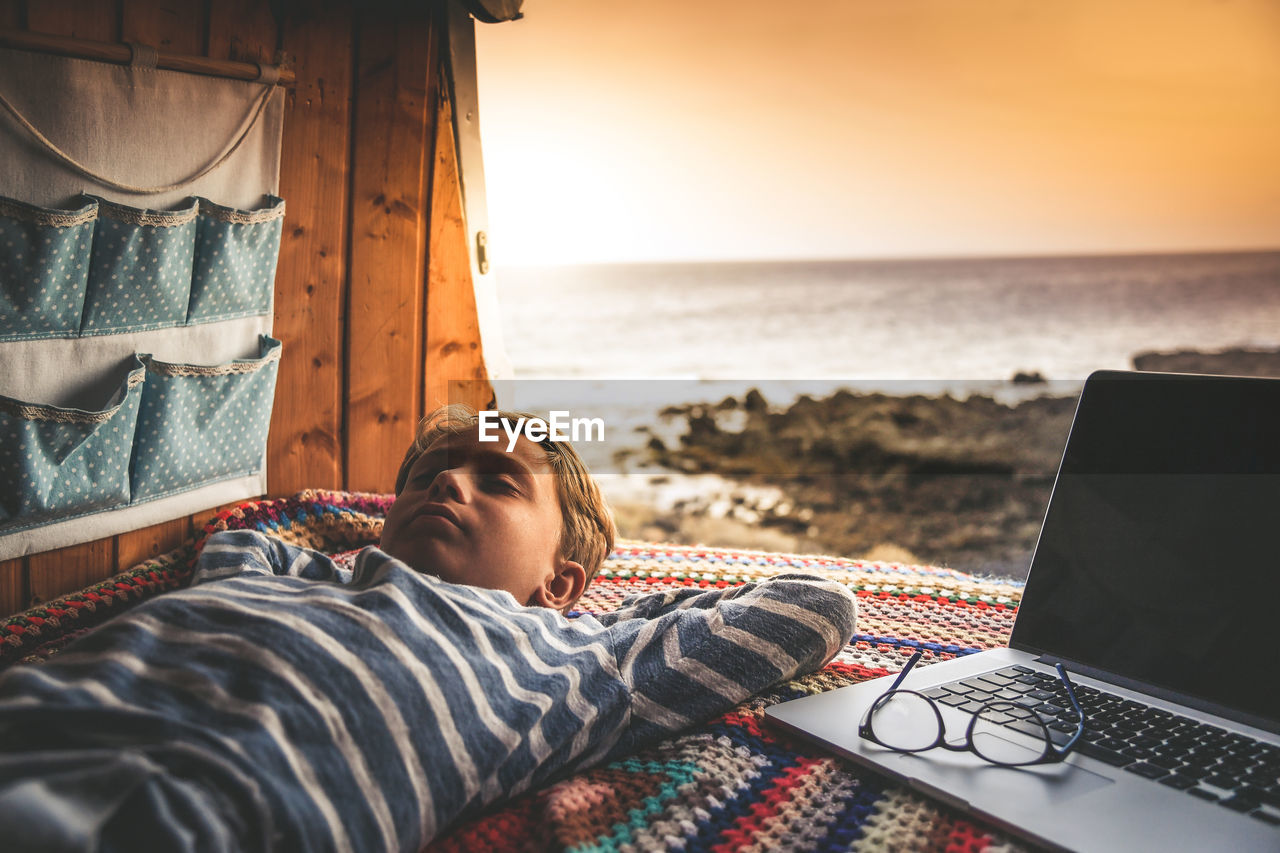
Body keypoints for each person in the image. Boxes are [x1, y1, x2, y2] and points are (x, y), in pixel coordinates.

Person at [0, 405, 857, 852]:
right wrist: (367, 537)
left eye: (500, 482)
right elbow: (255, 529)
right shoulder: (279, 571)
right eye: (430, 475)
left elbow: (813, 607)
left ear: (559, 580)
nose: (447, 485)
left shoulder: (570, 661)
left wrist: (610, 616)